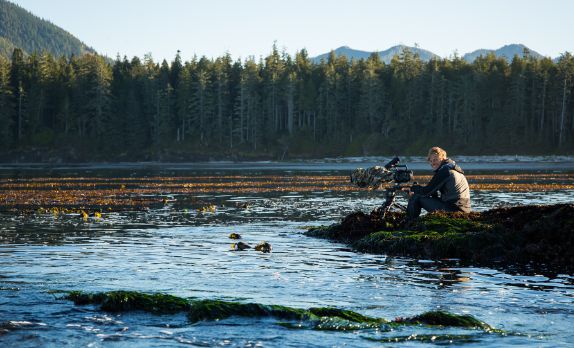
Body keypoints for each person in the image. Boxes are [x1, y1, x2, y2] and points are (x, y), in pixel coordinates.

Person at [403, 147, 471, 219]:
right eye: (430, 161)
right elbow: (432, 192)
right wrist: (417, 189)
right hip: (464, 209)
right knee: (419, 194)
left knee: (417, 197)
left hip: (454, 210)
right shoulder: (453, 168)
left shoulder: (445, 171)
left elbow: (426, 191)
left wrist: (414, 189)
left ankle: (409, 221)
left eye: (435, 159)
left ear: (443, 158)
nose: (432, 163)